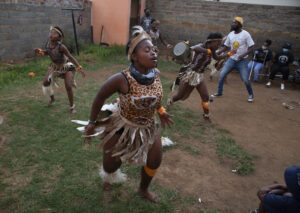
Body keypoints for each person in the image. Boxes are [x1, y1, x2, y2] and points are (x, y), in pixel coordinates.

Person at [83, 26, 174, 202]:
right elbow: (100, 97)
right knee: (110, 165)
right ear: (134, 56)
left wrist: (161, 111)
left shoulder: (156, 74)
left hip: (147, 125)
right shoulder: (121, 79)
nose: (153, 53)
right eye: (147, 50)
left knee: (155, 160)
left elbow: (154, 97)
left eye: (154, 50)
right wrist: (91, 122)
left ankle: (143, 189)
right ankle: (109, 176)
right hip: (122, 126)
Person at [166, 33, 236, 122]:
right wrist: (207, 51)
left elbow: (218, 57)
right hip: (190, 74)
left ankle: (206, 116)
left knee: (205, 97)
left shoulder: (212, 50)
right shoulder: (201, 46)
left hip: (199, 76)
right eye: (217, 43)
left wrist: (229, 54)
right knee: (180, 95)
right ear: (211, 41)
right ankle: (169, 103)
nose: (218, 46)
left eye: (219, 44)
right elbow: (195, 48)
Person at [35, 26, 85, 113]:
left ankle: (72, 107)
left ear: (59, 37)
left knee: (68, 86)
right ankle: (52, 99)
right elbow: (47, 52)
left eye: (54, 33)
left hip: (66, 67)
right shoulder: (47, 44)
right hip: (54, 66)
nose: (51, 34)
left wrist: (79, 68)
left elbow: (71, 57)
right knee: (46, 82)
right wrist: (40, 51)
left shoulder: (61, 47)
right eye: (51, 32)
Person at [211, 17, 255, 102]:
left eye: (235, 23)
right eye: (233, 22)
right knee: (222, 75)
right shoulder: (230, 34)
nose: (233, 24)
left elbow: (251, 47)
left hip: (242, 61)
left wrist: (243, 55)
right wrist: (219, 52)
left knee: (245, 79)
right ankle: (219, 92)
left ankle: (251, 95)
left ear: (240, 25)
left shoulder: (246, 34)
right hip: (231, 59)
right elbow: (226, 47)